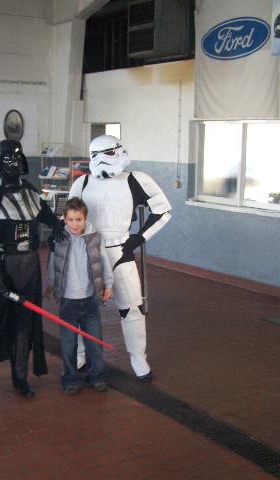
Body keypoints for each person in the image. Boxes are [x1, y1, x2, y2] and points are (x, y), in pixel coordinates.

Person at [0, 139, 63, 409]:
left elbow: (47, 216)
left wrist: (58, 227)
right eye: (8, 159)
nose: (14, 163)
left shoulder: (31, 193)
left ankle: (20, 378)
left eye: (17, 158)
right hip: (0, 269)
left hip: (28, 267)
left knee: (23, 327)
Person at [69, 135, 171, 382]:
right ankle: (80, 356)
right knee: (83, 308)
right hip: (88, 250)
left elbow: (162, 210)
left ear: (119, 152)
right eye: (95, 154)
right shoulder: (82, 183)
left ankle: (138, 359)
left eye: (107, 153)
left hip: (120, 250)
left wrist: (139, 237)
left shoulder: (136, 180)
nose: (101, 160)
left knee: (132, 308)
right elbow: (69, 217)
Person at [44, 197, 114, 394]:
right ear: (64, 219)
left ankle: (97, 376)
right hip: (68, 301)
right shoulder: (59, 238)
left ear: (85, 219)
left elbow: (104, 262)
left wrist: (108, 284)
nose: (75, 224)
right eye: (71, 220)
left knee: (94, 341)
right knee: (68, 344)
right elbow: (53, 264)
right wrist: (51, 285)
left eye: (79, 219)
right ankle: (71, 379)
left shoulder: (95, 238)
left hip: (90, 299)